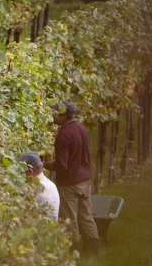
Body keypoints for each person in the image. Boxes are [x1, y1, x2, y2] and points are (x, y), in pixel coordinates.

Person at [42, 101, 101, 252]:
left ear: (63, 115)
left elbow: (62, 165)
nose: (52, 116)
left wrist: (43, 165)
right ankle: (95, 250)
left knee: (70, 221)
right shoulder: (82, 129)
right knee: (87, 217)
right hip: (85, 180)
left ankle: (73, 253)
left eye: (55, 113)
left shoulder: (63, 135)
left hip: (69, 183)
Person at [18, 151, 60, 219]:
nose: (20, 173)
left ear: (31, 171)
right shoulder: (51, 184)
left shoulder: (33, 190)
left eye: (22, 170)